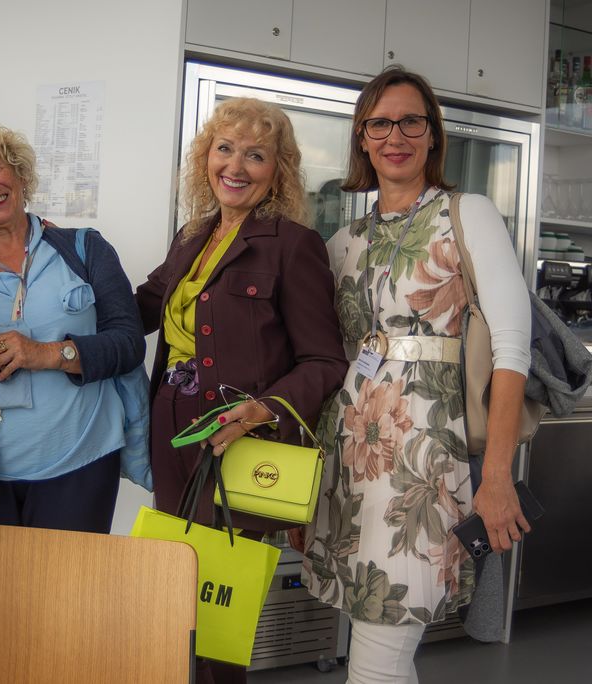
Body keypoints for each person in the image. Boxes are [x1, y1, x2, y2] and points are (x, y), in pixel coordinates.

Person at [301, 66, 532, 684]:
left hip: (423, 468)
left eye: (410, 121)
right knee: (379, 652)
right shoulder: (342, 241)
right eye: (379, 123)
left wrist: (497, 476)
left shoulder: (467, 214)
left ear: (433, 134)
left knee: (380, 653)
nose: (395, 136)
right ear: (361, 138)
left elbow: (512, 349)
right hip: (347, 464)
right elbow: (320, 360)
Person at [135, 97, 348, 684]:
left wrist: (262, 409)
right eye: (224, 149)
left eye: (255, 155)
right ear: (205, 158)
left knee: (218, 600)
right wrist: (68, 266)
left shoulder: (293, 244)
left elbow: (325, 361)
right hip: (172, 425)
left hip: (239, 437)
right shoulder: (193, 236)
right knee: (173, 585)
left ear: (278, 171)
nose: (234, 166)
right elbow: (139, 309)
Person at [0, 117, 145, 591]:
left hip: (78, 467)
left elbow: (127, 343)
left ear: (18, 173)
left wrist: (46, 353)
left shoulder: (85, 249)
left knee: (63, 616)